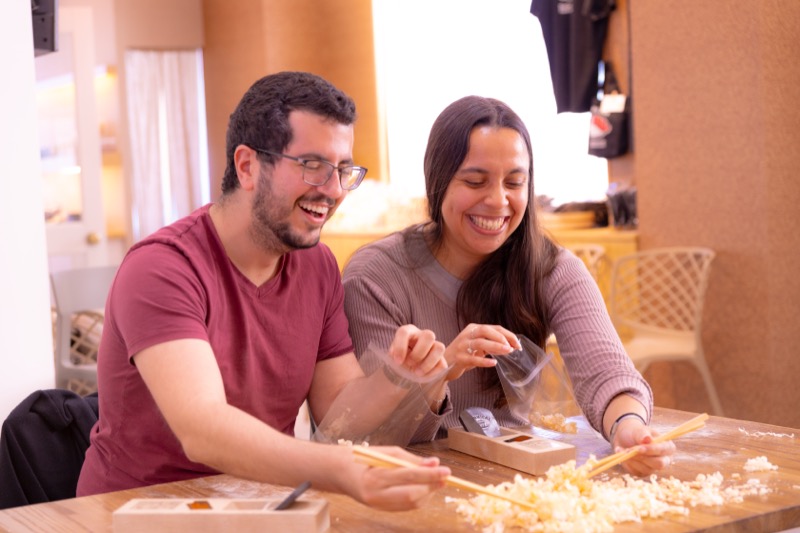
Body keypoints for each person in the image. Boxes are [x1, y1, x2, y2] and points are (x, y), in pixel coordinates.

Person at [77, 71, 453, 510]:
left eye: (342, 170)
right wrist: (339, 468)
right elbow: (203, 429)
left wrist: (396, 375)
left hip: (256, 505)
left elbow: (338, 415)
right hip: (136, 511)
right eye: (312, 166)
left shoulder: (317, 266)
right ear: (247, 166)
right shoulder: (162, 268)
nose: (333, 190)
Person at [342, 95, 676, 476]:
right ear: (437, 181)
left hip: (512, 478)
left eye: (515, 182)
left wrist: (628, 427)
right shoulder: (376, 276)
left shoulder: (550, 268)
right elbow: (372, 435)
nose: (498, 200)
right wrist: (441, 370)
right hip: (408, 482)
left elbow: (608, 374)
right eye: (475, 181)